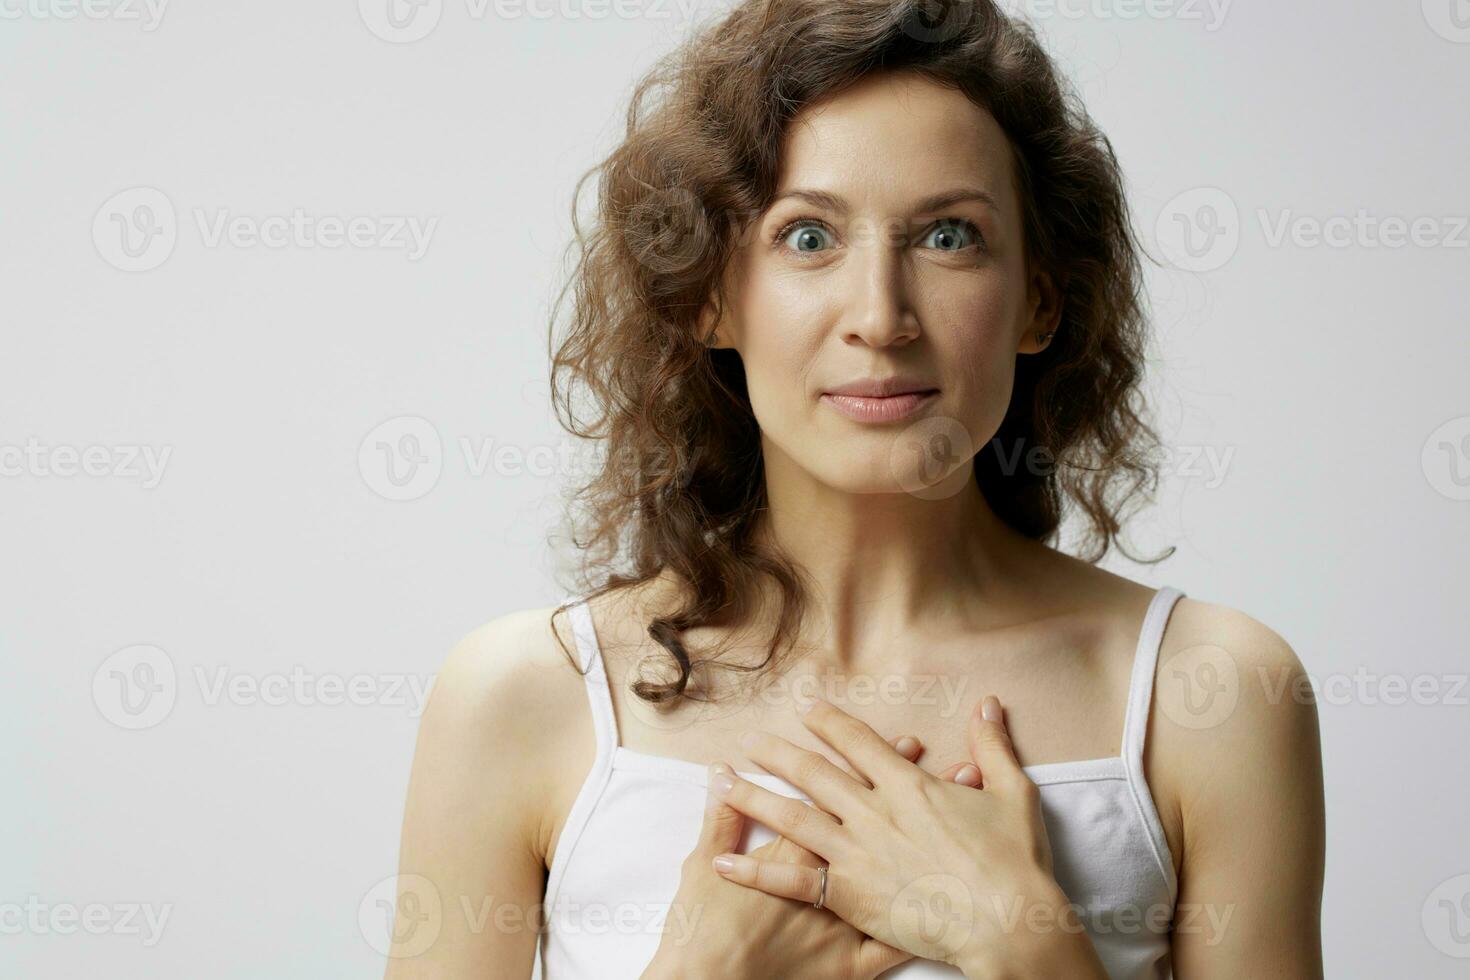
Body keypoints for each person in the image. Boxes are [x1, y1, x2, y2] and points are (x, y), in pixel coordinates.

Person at [383, 1, 1325, 976]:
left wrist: (1024, 940)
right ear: (711, 291)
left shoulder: (1209, 692)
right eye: (807, 237)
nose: (881, 317)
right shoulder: (521, 696)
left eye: (950, 235)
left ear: (1039, 298)